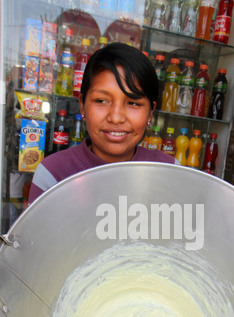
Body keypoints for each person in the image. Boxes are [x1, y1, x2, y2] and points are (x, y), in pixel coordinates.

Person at [29, 43, 179, 203]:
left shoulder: (169, 171)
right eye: (101, 100)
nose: (116, 117)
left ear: (150, 112)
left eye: (133, 103)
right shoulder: (53, 174)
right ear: (82, 105)